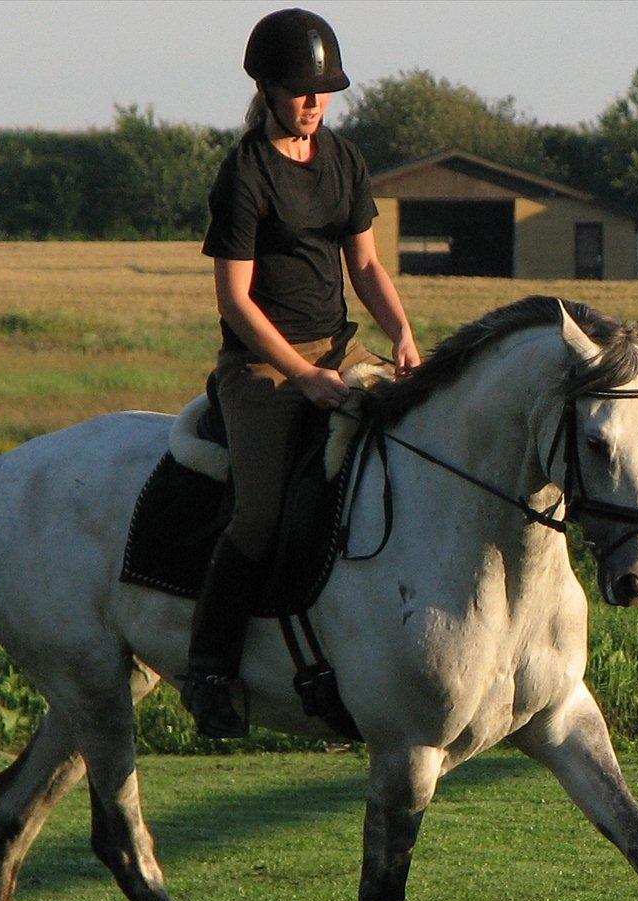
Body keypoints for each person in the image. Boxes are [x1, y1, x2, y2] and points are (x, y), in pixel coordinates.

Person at [181, 8, 421, 738]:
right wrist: (299, 375)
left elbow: (367, 264)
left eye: (324, 92)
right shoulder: (245, 172)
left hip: (340, 350)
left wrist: (403, 334)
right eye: (299, 91)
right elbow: (234, 299)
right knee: (257, 514)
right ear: (266, 88)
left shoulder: (343, 160)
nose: (313, 104)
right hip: (262, 365)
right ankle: (209, 669)